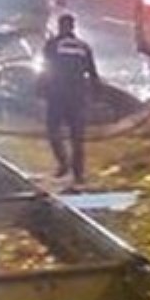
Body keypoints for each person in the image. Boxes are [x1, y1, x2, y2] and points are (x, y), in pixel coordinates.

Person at [39, 13, 103, 188]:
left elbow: (46, 69)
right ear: (73, 27)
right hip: (77, 96)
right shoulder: (84, 47)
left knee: (53, 130)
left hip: (57, 95)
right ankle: (78, 174)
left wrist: (41, 90)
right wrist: (96, 95)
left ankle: (63, 164)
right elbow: (93, 73)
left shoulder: (52, 45)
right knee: (77, 137)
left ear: (60, 27)